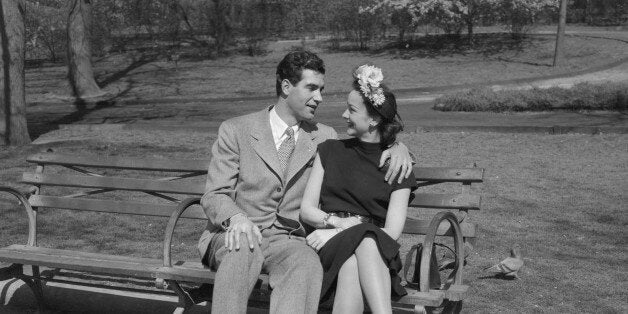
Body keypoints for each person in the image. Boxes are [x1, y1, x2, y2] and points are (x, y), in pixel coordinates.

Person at [197, 51, 414, 314]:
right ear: (286, 87)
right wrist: (237, 219)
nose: (319, 97)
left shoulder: (324, 136)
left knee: (305, 262)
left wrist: (398, 146)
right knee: (242, 247)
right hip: (238, 233)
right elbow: (215, 194)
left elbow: (368, 143)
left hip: (289, 241)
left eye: (321, 89)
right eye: (311, 88)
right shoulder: (236, 130)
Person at [300, 64, 417, 314]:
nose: (344, 114)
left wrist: (343, 230)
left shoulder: (397, 165)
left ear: (373, 119)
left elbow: (392, 232)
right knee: (359, 245)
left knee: (359, 252)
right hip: (327, 246)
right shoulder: (330, 150)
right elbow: (307, 211)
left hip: (374, 251)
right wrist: (338, 226)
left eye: (351, 110)